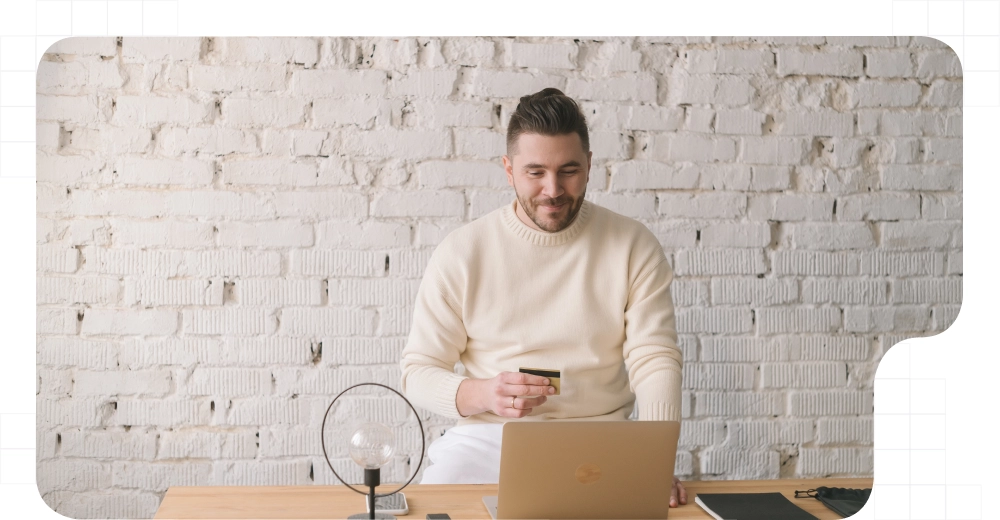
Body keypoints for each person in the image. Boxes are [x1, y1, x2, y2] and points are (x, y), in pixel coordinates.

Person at [399, 88, 687, 507]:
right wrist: (483, 393)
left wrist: (658, 461)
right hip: (489, 438)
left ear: (589, 165)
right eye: (535, 172)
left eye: (568, 170)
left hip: (602, 438)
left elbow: (655, 357)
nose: (553, 190)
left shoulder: (633, 245)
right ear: (509, 169)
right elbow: (419, 371)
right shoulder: (463, 252)